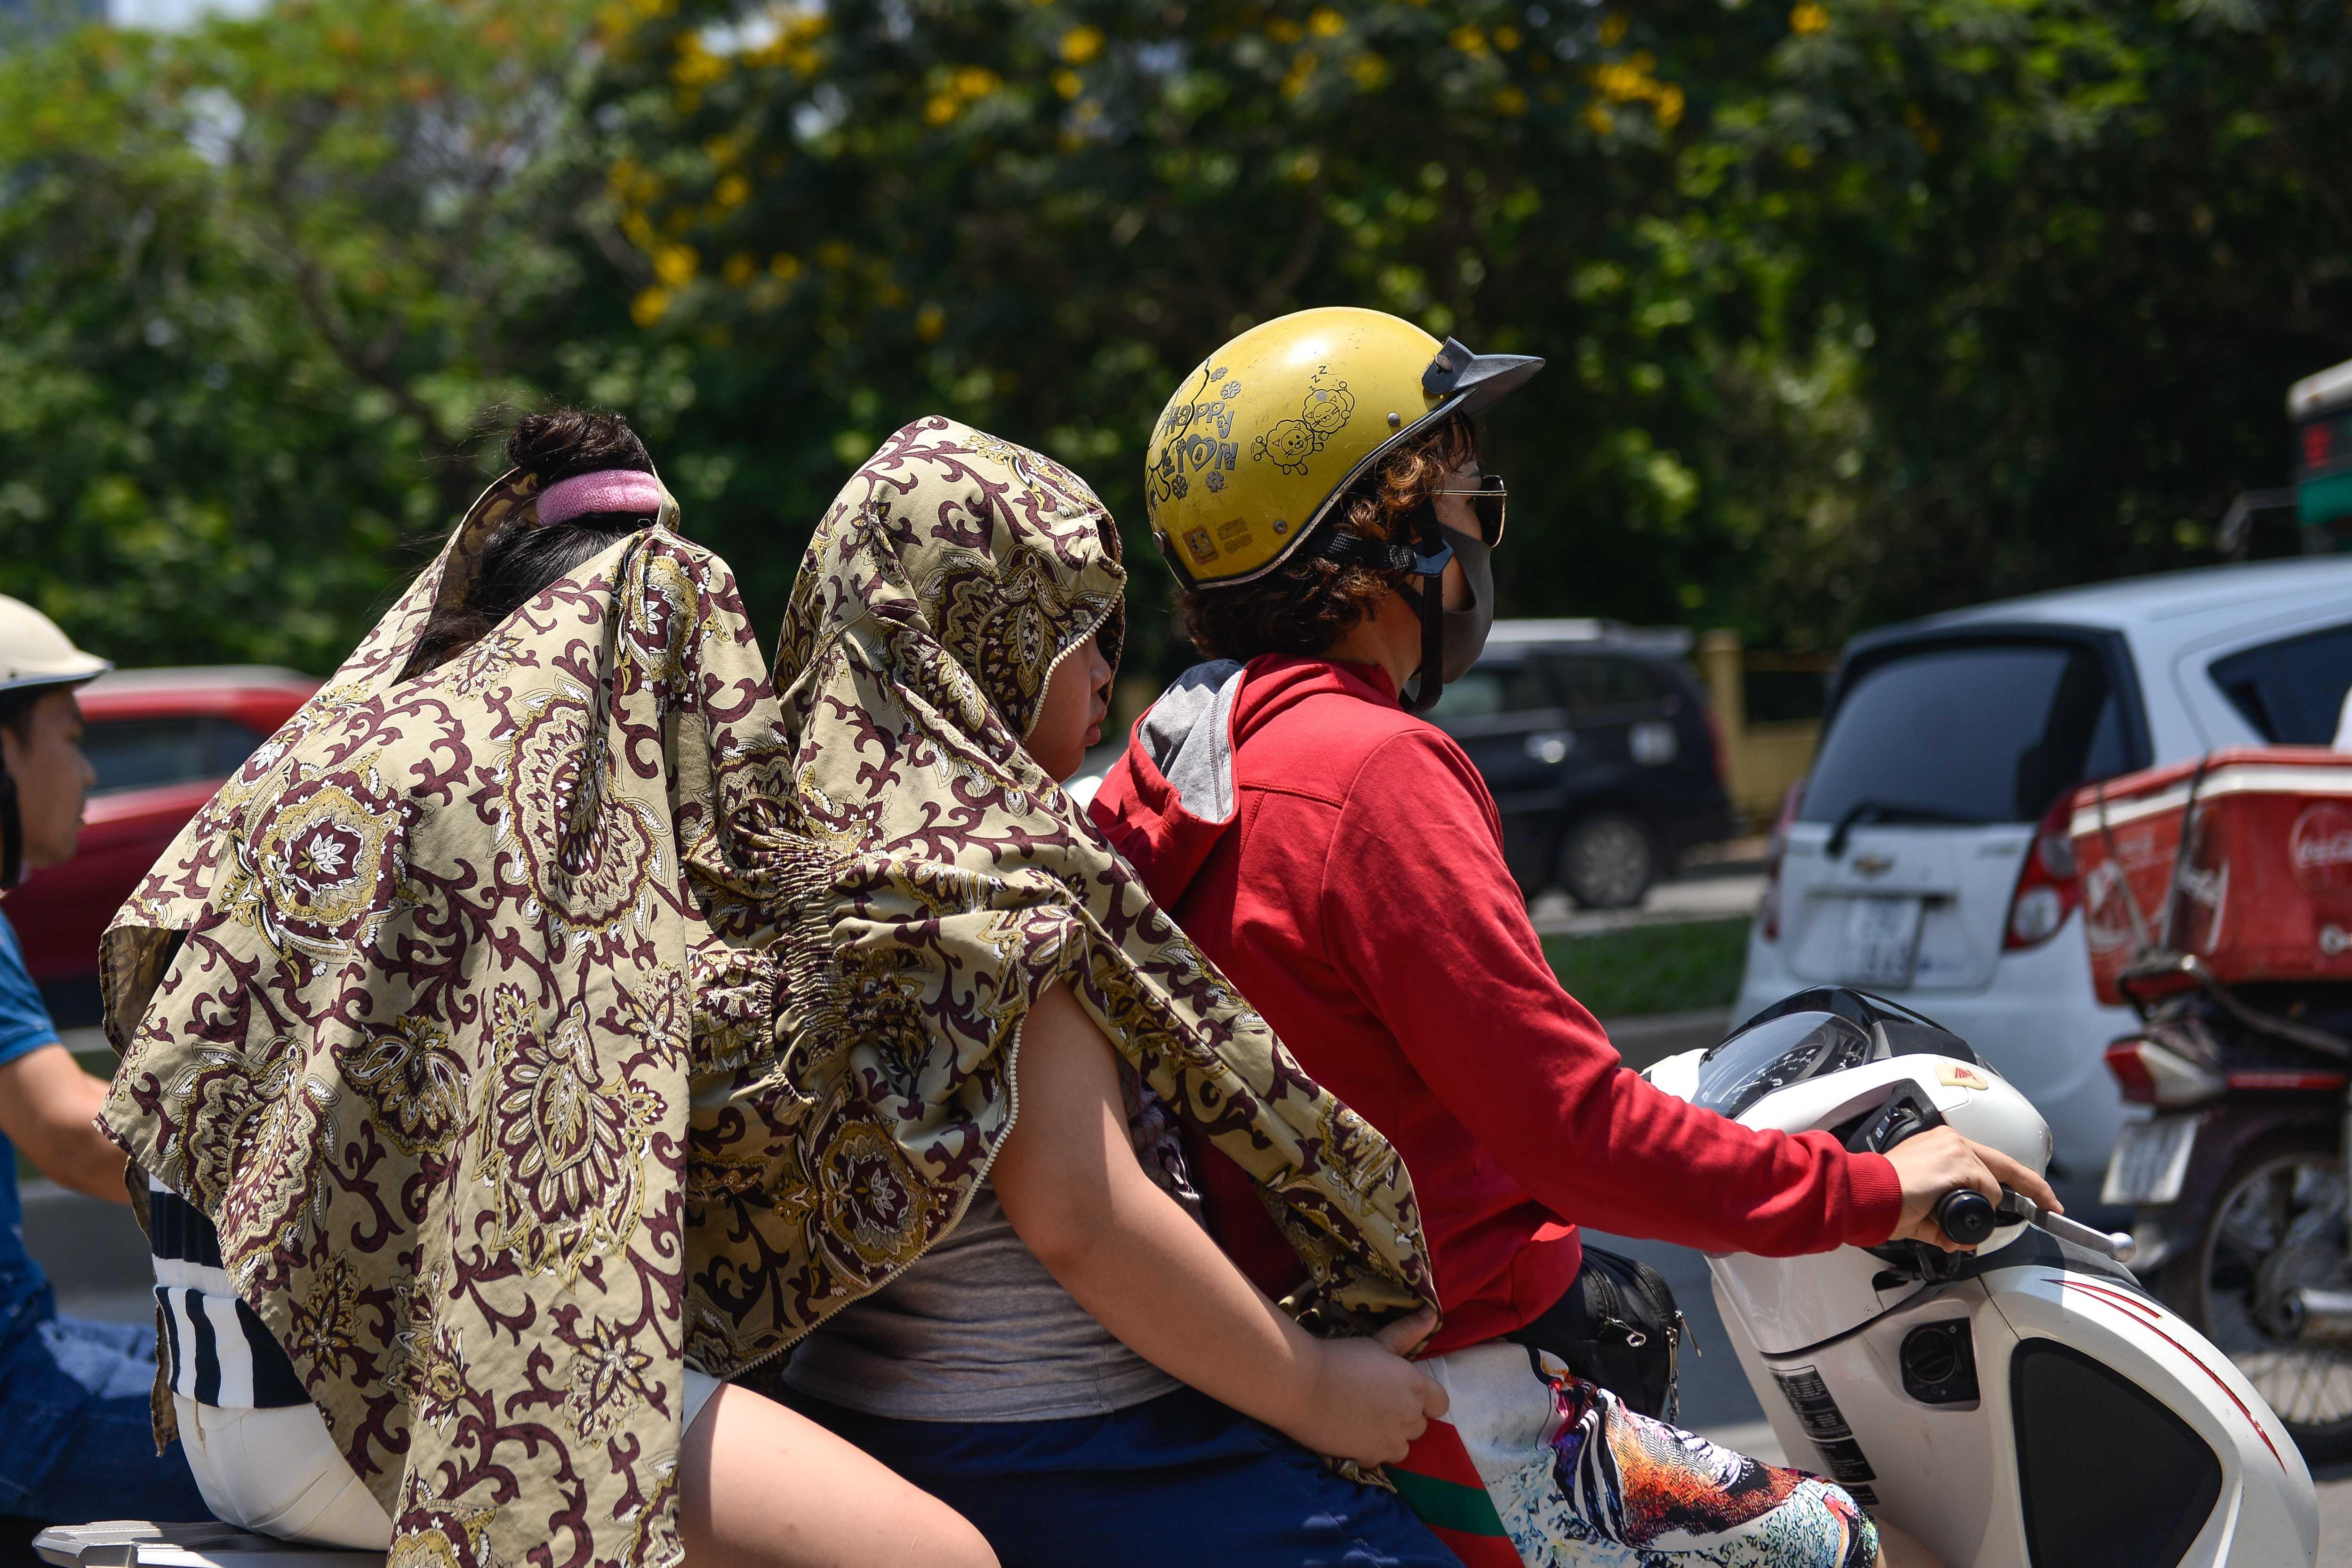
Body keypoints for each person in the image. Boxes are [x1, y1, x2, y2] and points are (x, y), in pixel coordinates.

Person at [98, 409, 1445, 1568]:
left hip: (220, 1395)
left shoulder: (350, 775)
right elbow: (1082, 1214)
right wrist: (1320, 1386)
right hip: (377, 1403)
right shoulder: (520, 821)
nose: (724, 694)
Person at [1092, 306, 2057, 1568]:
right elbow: (1573, 1135)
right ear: (1384, 536)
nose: (1483, 530)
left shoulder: (1183, 761)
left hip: (1298, 1375)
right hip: (1455, 1400)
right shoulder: (1366, 775)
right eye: (1464, 496)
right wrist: (1873, 1190)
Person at [754, 416, 1459, 1568]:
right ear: (974, 640)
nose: (1100, 671)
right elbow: (1085, 1217)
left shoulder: (791, 850)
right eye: (1072, 631)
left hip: (860, 1422)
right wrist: (1324, 1390)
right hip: (1072, 1441)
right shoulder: (982, 875)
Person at [0, 598, 210, 1526]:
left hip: (26, 1343)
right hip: (17, 1406)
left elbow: (74, 1101)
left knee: (200, 1379)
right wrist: (298, 1194)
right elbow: (71, 1138)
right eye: (70, 737)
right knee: (358, 1464)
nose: (87, 771)